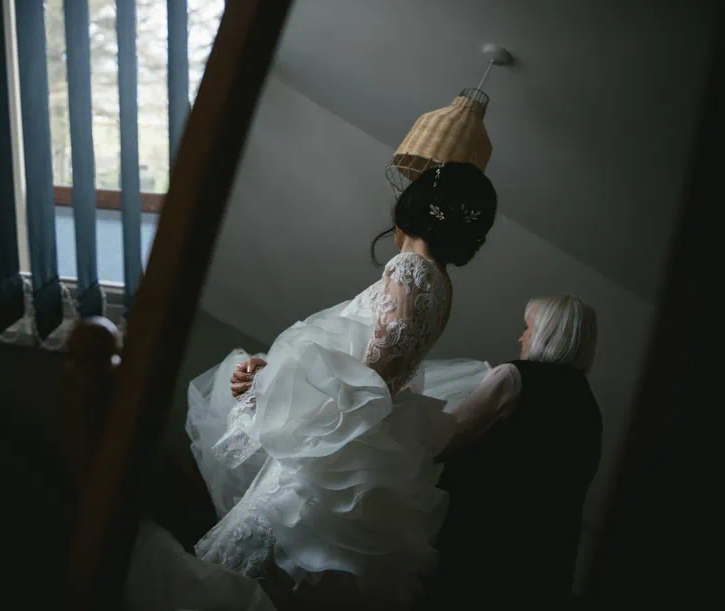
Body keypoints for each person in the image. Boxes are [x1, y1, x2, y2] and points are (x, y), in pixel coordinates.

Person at [186, 162, 498, 607]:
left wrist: (270, 385)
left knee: (249, 576)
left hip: (336, 451)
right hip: (359, 443)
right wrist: (269, 376)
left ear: (411, 207)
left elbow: (370, 379)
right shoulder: (442, 284)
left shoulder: (410, 267)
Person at [425, 295, 602, 610]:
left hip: (480, 545)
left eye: (528, 327)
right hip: (547, 562)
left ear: (546, 333)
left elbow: (444, 440)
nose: (521, 336)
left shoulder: (513, 378)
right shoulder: (588, 406)